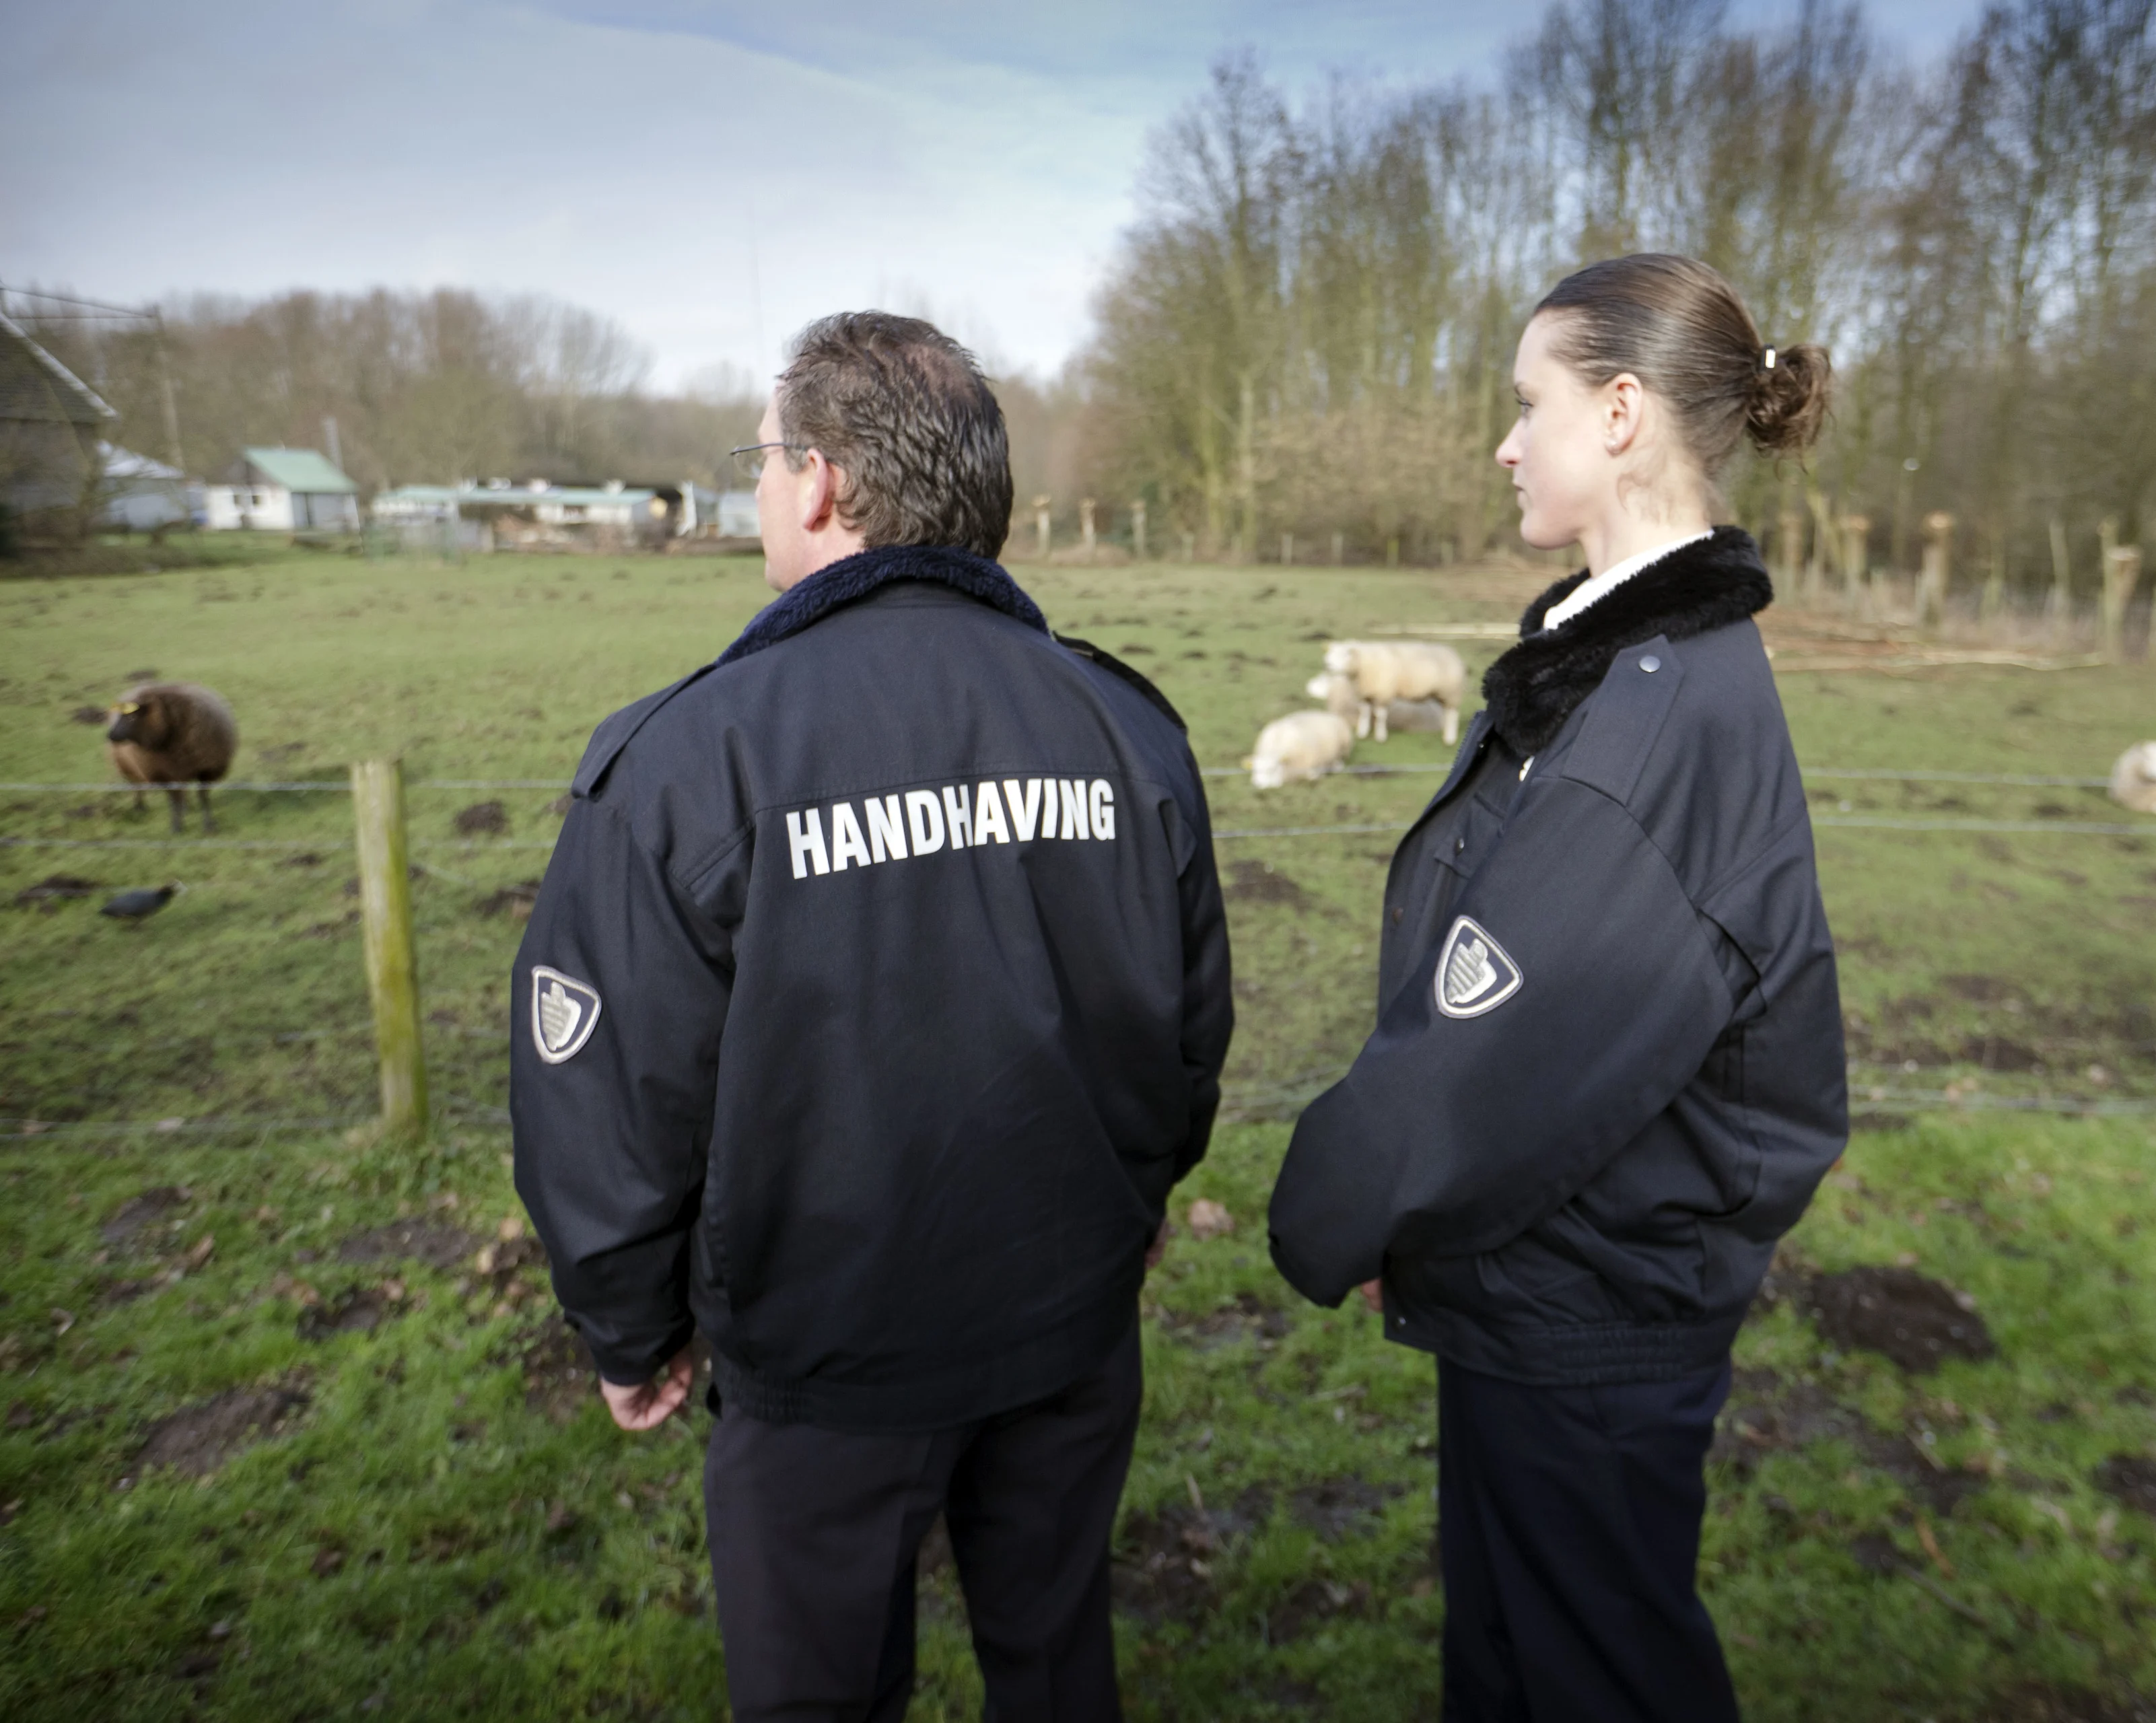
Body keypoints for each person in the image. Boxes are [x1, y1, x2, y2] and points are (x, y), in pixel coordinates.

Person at [512, 311, 1232, 1722]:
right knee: (1054, 1655)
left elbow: (606, 1086)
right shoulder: (1122, 725)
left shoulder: (692, 755)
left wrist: (622, 1320)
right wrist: (1134, 1203)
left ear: (823, 482)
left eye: (766, 458)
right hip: (1068, 1316)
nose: (764, 487)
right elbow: (1186, 1028)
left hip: (826, 1357)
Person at [1266, 254, 1847, 1722]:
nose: (1505, 440)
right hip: (1552, 1269)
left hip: (1590, 1301)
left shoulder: (1650, 719)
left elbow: (1493, 1037)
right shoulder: (1625, 663)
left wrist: (1341, 1208)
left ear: (1624, 412)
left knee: (1589, 1673)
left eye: (1531, 403)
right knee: (1526, 1660)